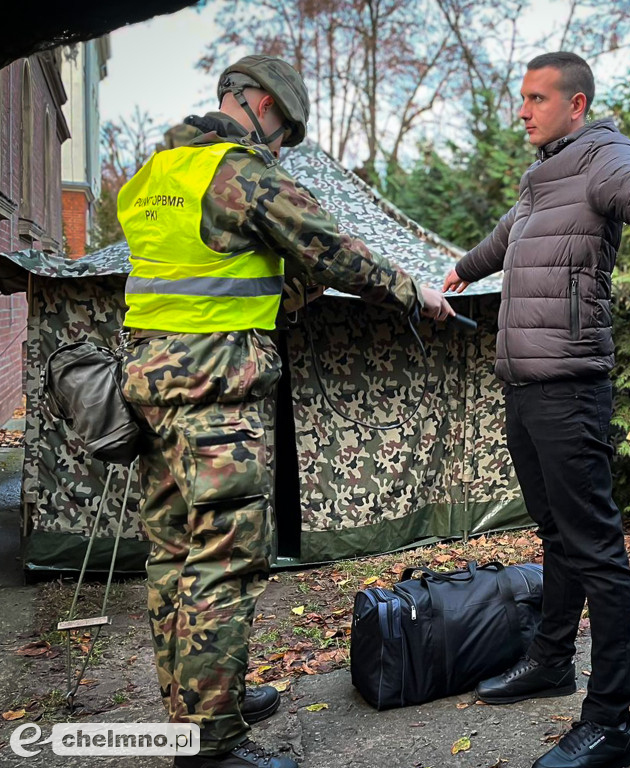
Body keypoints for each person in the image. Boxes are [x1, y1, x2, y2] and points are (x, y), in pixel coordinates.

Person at [117, 55, 454, 768]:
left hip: (151, 385)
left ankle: (200, 703)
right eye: (284, 131)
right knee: (223, 560)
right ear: (262, 103)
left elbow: (225, 270)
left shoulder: (152, 177)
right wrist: (411, 291)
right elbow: (331, 250)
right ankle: (210, 745)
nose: (279, 145)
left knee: (173, 556)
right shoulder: (237, 171)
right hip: (215, 390)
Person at [443, 52, 630, 768]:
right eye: (521, 97)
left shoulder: (602, 159)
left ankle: (610, 721)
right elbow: (507, 238)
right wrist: (464, 267)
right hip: (524, 383)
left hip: (570, 385)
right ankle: (550, 660)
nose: (523, 110)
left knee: (598, 552)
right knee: (556, 533)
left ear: (576, 104)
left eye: (537, 98)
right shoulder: (541, 175)